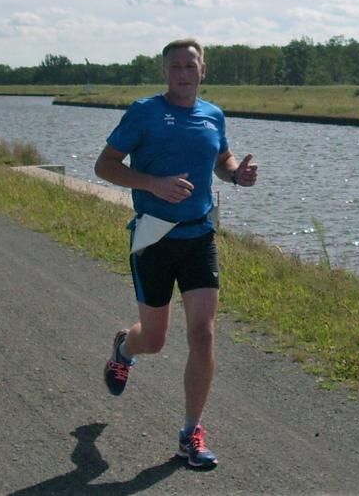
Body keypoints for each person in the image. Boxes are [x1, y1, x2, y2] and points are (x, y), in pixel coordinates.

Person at [94, 38, 257, 468]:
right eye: (175, 67)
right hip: (154, 237)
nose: (183, 74)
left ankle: (191, 433)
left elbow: (221, 159)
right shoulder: (144, 112)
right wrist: (153, 184)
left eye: (190, 65)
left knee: (203, 333)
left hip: (199, 236)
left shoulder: (213, 115)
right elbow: (104, 165)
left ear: (203, 70)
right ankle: (124, 348)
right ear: (164, 72)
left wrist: (236, 174)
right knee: (154, 339)